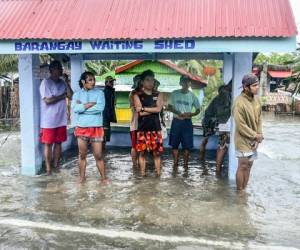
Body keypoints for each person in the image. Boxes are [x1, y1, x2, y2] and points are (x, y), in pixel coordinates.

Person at [71, 71, 107, 183]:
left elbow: (100, 108)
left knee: (98, 155)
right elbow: (75, 109)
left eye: (93, 79)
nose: (93, 82)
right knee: (82, 155)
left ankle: (104, 179)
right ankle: (81, 178)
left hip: (96, 127)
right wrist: (90, 104)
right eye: (90, 80)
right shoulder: (77, 94)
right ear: (83, 82)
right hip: (82, 128)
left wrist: (83, 108)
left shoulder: (100, 93)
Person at [39, 60, 73, 175]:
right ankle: (48, 169)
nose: (61, 70)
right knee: (48, 144)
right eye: (59, 68)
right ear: (52, 70)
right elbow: (48, 100)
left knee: (58, 143)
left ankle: (56, 166)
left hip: (61, 120)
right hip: (48, 121)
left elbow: (71, 96)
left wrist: (67, 82)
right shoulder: (45, 83)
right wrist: (62, 96)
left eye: (61, 68)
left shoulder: (63, 83)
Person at [233, 73, 263, 191]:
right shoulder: (239, 103)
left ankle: (244, 190)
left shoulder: (257, 100)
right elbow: (241, 126)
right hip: (242, 139)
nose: (257, 87)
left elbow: (260, 118)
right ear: (246, 87)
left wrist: (258, 136)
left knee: (249, 166)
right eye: (255, 85)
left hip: (254, 139)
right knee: (243, 166)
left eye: (258, 85)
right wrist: (255, 135)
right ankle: (239, 192)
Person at [133, 70, 164, 176]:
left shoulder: (158, 94)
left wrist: (143, 108)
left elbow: (159, 109)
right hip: (142, 129)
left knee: (157, 154)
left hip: (156, 128)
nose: (150, 82)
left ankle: (158, 175)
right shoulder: (137, 95)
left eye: (152, 80)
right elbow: (139, 113)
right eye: (147, 80)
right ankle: (142, 175)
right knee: (142, 153)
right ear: (142, 82)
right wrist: (152, 109)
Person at [168, 75, 201, 168]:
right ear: (180, 83)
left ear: (190, 84)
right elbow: (169, 107)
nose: (186, 83)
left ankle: (186, 167)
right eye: (184, 81)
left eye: (188, 82)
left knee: (187, 146)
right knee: (174, 145)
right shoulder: (174, 93)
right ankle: (175, 165)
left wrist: (191, 114)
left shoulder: (192, 96)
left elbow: (198, 109)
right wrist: (178, 113)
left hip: (187, 123)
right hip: (176, 122)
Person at [200, 81, 232, 174]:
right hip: (212, 121)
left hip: (211, 120)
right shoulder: (225, 96)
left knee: (207, 141)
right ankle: (217, 170)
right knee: (222, 145)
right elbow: (222, 114)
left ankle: (202, 160)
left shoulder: (219, 97)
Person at [129, 74, 142, 167]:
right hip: (136, 124)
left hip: (141, 124)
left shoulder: (142, 93)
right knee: (135, 147)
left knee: (140, 147)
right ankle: (134, 165)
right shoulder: (133, 94)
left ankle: (137, 166)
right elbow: (139, 108)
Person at [103, 75, 117, 149]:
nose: (112, 83)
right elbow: (106, 107)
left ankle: (103, 155)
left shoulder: (110, 91)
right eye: (110, 82)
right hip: (104, 118)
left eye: (113, 82)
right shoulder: (106, 92)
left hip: (107, 118)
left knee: (105, 138)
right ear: (106, 83)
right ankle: (102, 155)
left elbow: (113, 104)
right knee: (103, 137)